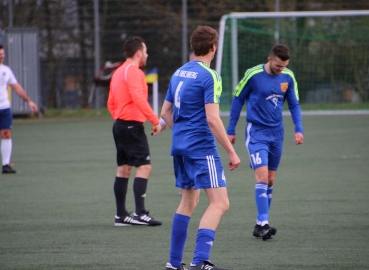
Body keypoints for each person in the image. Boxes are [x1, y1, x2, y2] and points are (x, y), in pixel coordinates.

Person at [161, 26, 241, 270]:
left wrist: (183, 133)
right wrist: (231, 151)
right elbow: (213, 119)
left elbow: (164, 113)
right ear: (213, 47)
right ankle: (199, 262)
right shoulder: (210, 76)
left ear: (193, 46)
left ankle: (174, 264)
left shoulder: (178, 73)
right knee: (220, 203)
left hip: (180, 147)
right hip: (201, 147)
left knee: (188, 202)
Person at [227, 45, 304, 241]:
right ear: (269, 59)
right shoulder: (253, 74)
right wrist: (231, 129)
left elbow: (294, 104)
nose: (281, 69)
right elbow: (238, 99)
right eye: (278, 65)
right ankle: (263, 223)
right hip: (256, 132)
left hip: (277, 133)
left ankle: (260, 223)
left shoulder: (288, 77)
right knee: (261, 177)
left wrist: (298, 129)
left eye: (284, 66)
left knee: (270, 180)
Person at [107, 36, 163, 227]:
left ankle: (121, 216)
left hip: (120, 125)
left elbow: (110, 102)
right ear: (139, 53)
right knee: (145, 166)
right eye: (145, 51)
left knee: (124, 168)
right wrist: (155, 121)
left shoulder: (118, 71)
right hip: (131, 125)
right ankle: (140, 213)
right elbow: (139, 98)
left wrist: (120, 117)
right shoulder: (135, 71)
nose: (146, 55)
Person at [0, 45, 38, 174]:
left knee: (6, 134)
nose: (2, 56)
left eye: (3, 53)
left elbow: (17, 87)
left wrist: (29, 101)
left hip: (4, 108)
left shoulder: (6, 70)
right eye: (0, 54)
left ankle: (5, 165)